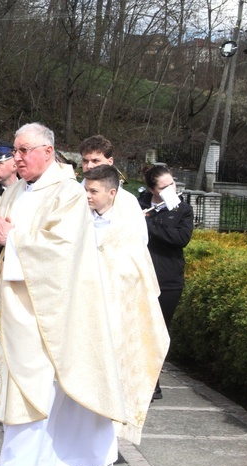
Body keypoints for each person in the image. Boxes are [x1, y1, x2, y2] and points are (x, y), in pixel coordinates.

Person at [0, 123, 125, 466]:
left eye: (24, 151)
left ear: (48, 151)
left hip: (52, 311)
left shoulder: (69, 194)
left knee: (43, 394)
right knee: (34, 394)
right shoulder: (14, 191)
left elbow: (62, 253)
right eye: (16, 151)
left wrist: (14, 240)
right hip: (14, 308)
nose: (17, 158)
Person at [83, 165, 169, 447]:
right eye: (85, 189)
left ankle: (104, 446)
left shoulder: (127, 226)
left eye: (93, 191)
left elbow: (135, 269)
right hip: (84, 312)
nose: (87, 196)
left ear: (111, 193)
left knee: (113, 379)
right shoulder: (78, 218)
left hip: (116, 313)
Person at [138, 164, 194, 400]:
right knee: (141, 330)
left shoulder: (183, 209)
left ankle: (153, 380)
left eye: (172, 183)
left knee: (160, 331)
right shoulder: (137, 205)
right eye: (164, 186)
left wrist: (150, 224)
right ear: (153, 189)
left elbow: (181, 238)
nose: (171, 188)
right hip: (140, 277)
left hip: (169, 279)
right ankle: (147, 382)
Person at [79, 135, 147, 245]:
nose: (89, 166)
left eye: (95, 160)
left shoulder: (128, 201)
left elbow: (141, 242)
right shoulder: (72, 195)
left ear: (110, 161)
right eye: (85, 161)